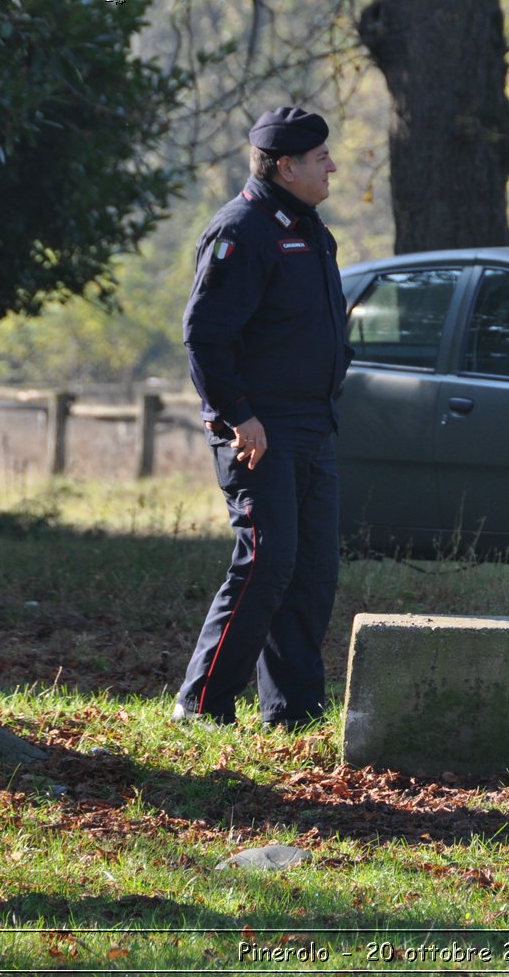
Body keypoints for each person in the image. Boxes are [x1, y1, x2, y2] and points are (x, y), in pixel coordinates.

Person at [172, 106, 353, 728]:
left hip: (312, 424)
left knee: (312, 571)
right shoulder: (242, 230)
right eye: (320, 156)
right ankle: (200, 704)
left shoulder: (308, 226)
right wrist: (239, 415)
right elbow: (204, 336)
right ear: (285, 166)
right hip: (260, 429)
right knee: (266, 563)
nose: (332, 164)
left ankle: (294, 710)